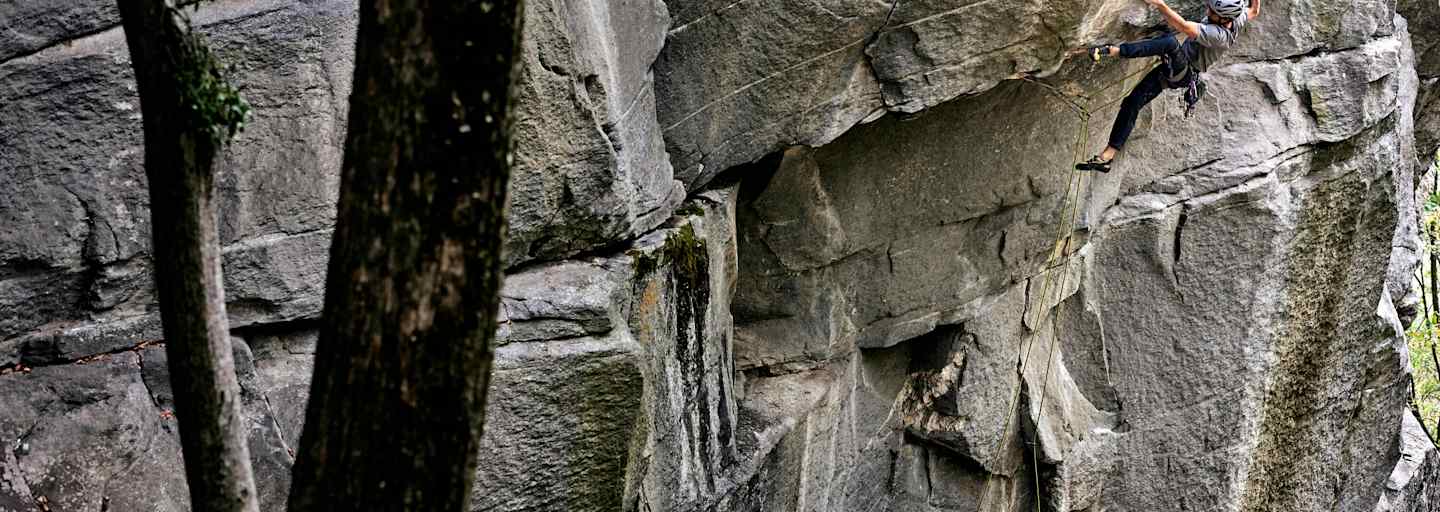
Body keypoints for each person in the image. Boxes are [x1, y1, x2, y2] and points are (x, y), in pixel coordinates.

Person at [1073, 0, 1260, 173]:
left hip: (1184, 72)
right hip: (1174, 69)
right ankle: (1107, 157)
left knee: (1170, 43)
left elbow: (1184, 27)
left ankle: (1112, 50)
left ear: (1224, 18)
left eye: (1213, 11)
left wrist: (1160, 4)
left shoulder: (1219, 35)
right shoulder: (1235, 17)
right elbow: (1253, 10)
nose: (1208, 11)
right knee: (1133, 102)